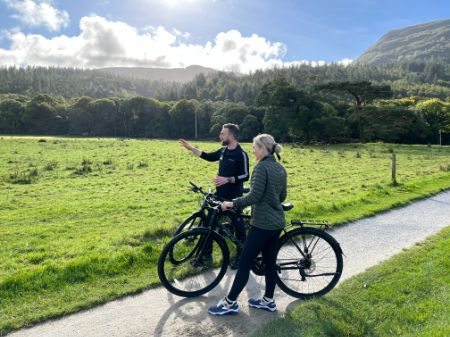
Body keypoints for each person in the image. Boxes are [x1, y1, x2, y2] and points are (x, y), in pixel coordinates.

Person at [207, 133, 287, 316]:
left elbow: (255, 196)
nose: (252, 150)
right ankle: (268, 301)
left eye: (254, 147)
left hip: (262, 224)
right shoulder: (280, 169)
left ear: (262, 149)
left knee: (244, 263)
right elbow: (281, 196)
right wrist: (267, 198)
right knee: (270, 263)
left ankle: (230, 303)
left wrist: (232, 203)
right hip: (276, 223)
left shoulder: (261, 168)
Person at [179, 123, 250, 268]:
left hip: (234, 198)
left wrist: (227, 179)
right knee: (208, 223)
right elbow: (208, 156)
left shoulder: (241, 154)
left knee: (238, 227)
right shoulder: (223, 151)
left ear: (231, 136)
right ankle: (206, 256)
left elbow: (245, 175)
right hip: (219, 196)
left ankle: (242, 256)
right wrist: (190, 148)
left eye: (223, 133)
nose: (220, 135)